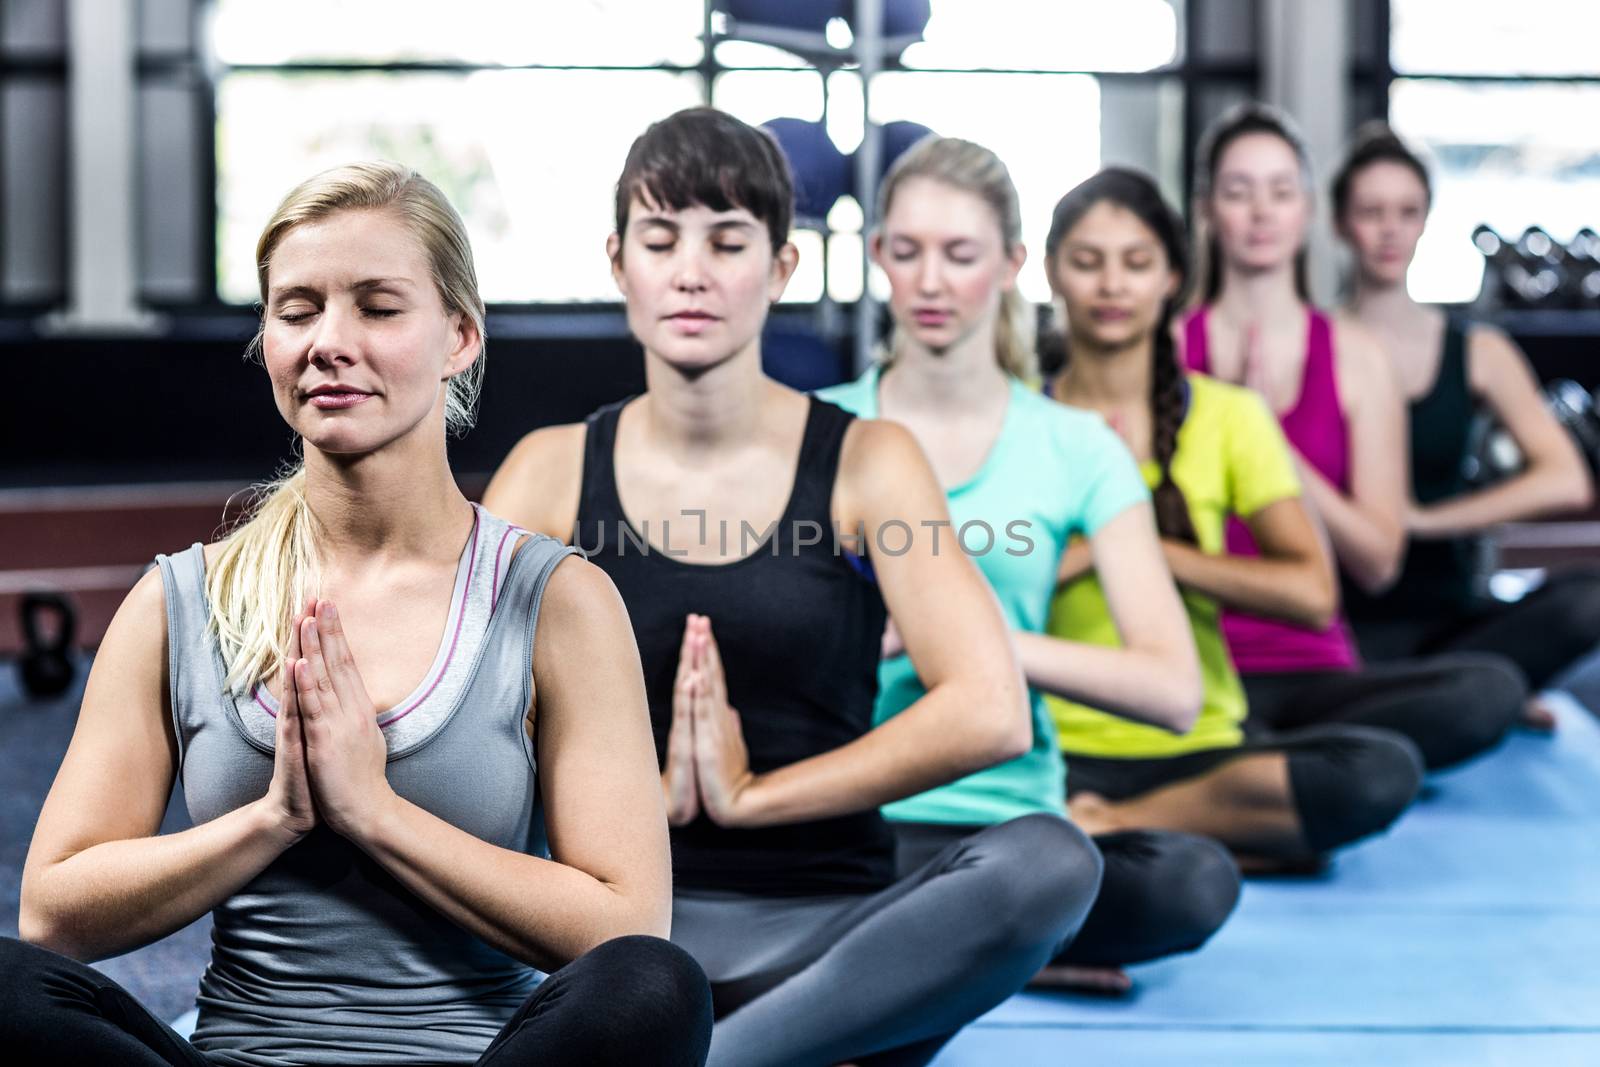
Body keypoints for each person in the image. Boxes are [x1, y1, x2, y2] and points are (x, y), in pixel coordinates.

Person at [5, 162, 712, 1067]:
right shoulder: (182, 601)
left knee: (654, 988)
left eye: (378, 307)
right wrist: (276, 816)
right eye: (297, 310)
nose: (329, 343)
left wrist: (375, 811)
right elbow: (52, 912)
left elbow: (626, 925)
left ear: (458, 335)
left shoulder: (555, 601)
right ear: (266, 338)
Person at [483, 108, 1099, 1067]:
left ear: (780, 270)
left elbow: (989, 709)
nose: (691, 271)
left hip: (830, 945)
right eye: (661, 239)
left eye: (728, 242)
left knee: (1052, 861)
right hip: (617, 944)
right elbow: (465, 717)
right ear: (619, 264)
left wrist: (754, 794)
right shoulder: (550, 471)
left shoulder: (867, 461)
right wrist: (634, 801)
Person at [818, 136, 1235, 995]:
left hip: (1014, 832)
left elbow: (1172, 690)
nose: (930, 281)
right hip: (854, 821)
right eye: (907, 251)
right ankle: (1000, 958)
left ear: (1010, 263)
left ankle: (943, 955)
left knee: (1192, 881)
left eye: (960, 254)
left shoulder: (1076, 446)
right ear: (877, 258)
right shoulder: (816, 429)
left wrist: (974, 639)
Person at [1039, 166, 1423, 879]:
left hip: (1204, 745)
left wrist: (1145, 549)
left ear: (1172, 278)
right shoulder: (1017, 421)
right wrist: (1093, 550)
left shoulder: (1230, 416)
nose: (1112, 286)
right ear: (1053, 273)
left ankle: (1114, 826)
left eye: (1137, 263)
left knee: (1376, 770)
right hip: (1052, 750)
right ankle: (1207, 842)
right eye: (1087, 263)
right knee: (1186, 884)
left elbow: (1312, 594)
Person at [1181, 104, 1525, 770]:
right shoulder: (1167, 352)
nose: (1260, 212)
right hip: (1196, 664)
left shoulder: (1356, 356)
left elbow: (1378, 558)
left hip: (1317, 669)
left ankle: (1256, 770)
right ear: (1207, 209)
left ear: (1307, 210)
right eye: (1237, 191)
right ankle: (1273, 775)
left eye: (1280, 192)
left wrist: (1266, 437)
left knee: (1487, 691)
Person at [1332, 121, 1599, 727]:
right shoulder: (1313, 345)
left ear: (1426, 220)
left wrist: (1423, 519)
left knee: (1588, 602)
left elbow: (1564, 480)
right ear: (1340, 223)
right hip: (1346, 628)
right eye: (1371, 211)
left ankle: (1471, 693)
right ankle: (1473, 701)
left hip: (1454, 620)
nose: (1389, 229)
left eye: (1407, 210)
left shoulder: (1478, 351)